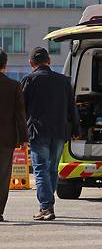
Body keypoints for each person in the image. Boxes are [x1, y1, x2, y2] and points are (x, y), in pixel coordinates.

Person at [21, 47, 79, 221]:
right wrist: (76, 130)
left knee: (40, 169)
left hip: (38, 132)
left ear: (31, 63)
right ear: (49, 61)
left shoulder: (28, 80)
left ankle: (46, 207)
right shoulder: (63, 81)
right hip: (60, 131)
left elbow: (21, 109)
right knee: (52, 169)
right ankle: (47, 204)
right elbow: (72, 108)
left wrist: (20, 132)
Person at [0, 49, 28, 222]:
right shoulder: (13, 85)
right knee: (3, 175)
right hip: (6, 139)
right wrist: (24, 138)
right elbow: (20, 115)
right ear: (5, 64)